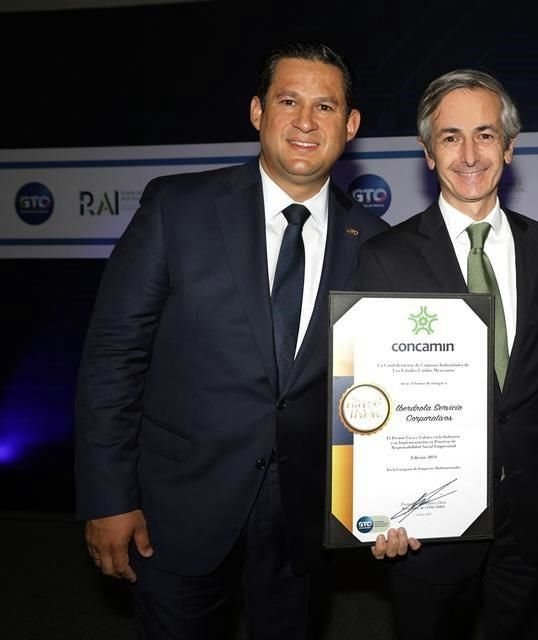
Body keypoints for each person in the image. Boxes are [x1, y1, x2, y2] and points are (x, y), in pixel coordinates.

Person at [74, 41, 389, 639]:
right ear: (256, 112)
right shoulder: (177, 208)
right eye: (288, 101)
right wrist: (107, 496)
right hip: (176, 509)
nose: (304, 122)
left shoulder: (373, 240)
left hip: (303, 520)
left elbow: (378, 387)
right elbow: (113, 359)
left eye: (325, 108)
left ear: (350, 126)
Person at [354, 69, 538, 640]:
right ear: (428, 153)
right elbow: (363, 394)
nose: (469, 153)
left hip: (531, 510)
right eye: (450, 137)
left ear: (510, 146)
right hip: (426, 521)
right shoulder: (383, 258)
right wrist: (373, 507)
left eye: (485, 134)